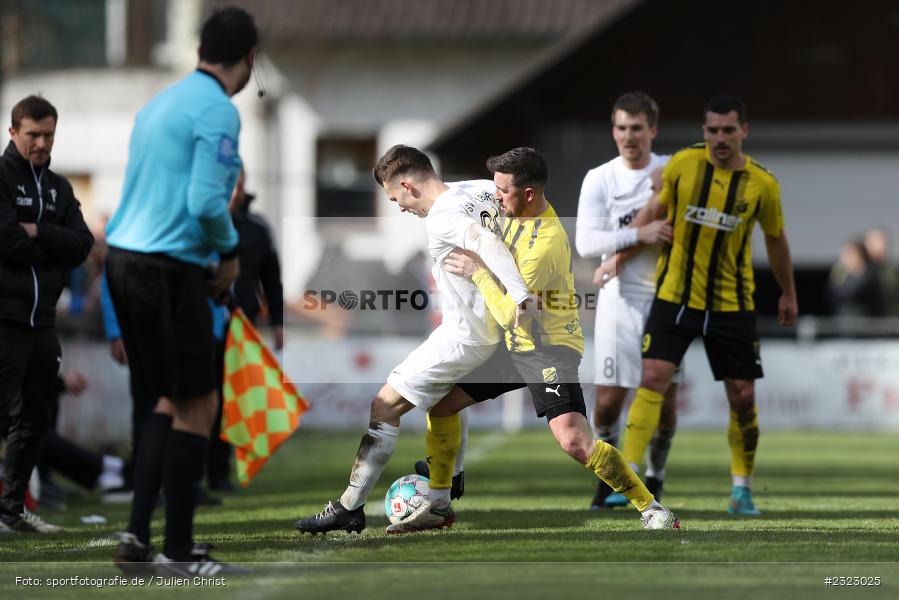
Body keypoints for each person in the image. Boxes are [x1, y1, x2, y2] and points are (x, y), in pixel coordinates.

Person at [399, 147, 680, 533]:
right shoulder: (512, 213)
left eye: (502, 191)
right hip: (513, 346)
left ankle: (653, 509)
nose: (495, 198)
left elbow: (514, 314)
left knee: (574, 441)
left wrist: (477, 271)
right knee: (442, 408)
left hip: (546, 347)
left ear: (527, 194)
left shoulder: (544, 244)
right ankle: (438, 505)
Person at [294, 144, 532, 535]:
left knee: (384, 405)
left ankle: (349, 507)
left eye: (395, 198)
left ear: (407, 184)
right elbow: (518, 206)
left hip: (464, 334)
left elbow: (483, 241)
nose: (400, 208)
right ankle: (450, 479)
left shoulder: (443, 215)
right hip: (488, 328)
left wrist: (520, 294)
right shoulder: (477, 189)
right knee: (444, 400)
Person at [104, 7, 258, 574]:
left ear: (199, 49)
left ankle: (137, 537)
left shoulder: (158, 102)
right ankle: (176, 550)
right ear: (249, 60)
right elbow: (202, 203)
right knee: (199, 404)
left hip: (124, 261)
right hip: (167, 269)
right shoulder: (218, 110)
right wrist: (231, 252)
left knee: (162, 402)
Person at [614, 96, 797, 515]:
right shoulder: (682, 164)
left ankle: (741, 489)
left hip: (732, 303)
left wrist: (788, 291)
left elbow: (775, 239)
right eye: (711, 130)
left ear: (743, 132)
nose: (718, 138)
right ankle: (626, 480)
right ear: (704, 132)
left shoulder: (762, 184)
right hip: (676, 295)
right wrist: (621, 248)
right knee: (653, 378)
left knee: (743, 396)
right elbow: (653, 211)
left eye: (728, 130)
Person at [574, 91, 680, 508]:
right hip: (618, 300)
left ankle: (656, 475)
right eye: (621, 128)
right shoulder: (600, 178)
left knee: (665, 403)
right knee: (609, 400)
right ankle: (612, 477)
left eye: (637, 128)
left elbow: (674, 221)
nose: (628, 136)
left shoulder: (671, 170)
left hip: (667, 297)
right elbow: (585, 242)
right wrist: (641, 234)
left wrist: (620, 253)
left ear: (652, 130)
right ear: (613, 131)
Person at [0, 95, 94, 533]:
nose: (41, 143)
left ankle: (12, 509)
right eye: (33, 134)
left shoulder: (59, 187)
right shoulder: (1, 177)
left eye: (48, 135)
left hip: (42, 322)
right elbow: (6, 242)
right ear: (13, 132)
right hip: (5, 316)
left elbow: (83, 245)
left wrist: (37, 231)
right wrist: (53, 247)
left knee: (35, 417)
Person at [828, 239, 883, 317]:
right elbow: (830, 295)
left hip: (865, 323)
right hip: (845, 322)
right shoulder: (843, 274)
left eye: (850, 254)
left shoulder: (869, 274)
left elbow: (849, 293)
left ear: (861, 255)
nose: (845, 258)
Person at [863, 227, 898, 316]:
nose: (881, 246)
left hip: (889, 321)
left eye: (884, 242)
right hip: (863, 322)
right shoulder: (856, 269)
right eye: (876, 242)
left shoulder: (892, 270)